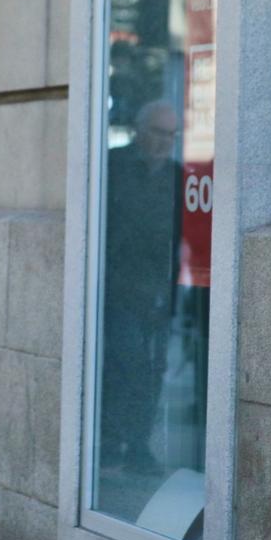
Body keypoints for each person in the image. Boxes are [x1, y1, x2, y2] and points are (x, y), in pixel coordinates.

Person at [100, 100, 187, 478]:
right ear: (139, 130)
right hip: (115, 288)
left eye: (171, 135)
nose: (164, 141)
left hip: (158, 292)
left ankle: (138, 445)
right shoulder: (113, 165)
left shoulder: (178, 177)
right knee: (125, 363)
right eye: (158, 132)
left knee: (152, 369)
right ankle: (110, 439)